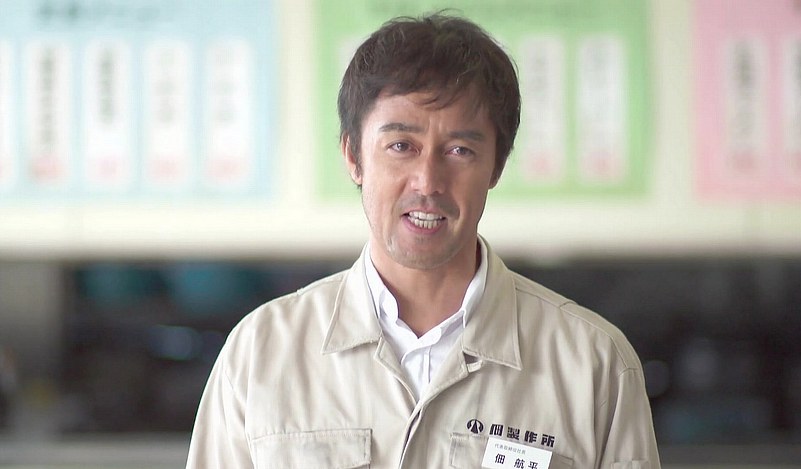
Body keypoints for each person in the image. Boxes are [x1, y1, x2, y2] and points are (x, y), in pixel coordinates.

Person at [187, 12, 660, 468]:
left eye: (460, 150)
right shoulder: (259, 354)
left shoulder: (595, 365)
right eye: (401, 146)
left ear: (496, 167)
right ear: (353, 156)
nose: (428, 181)